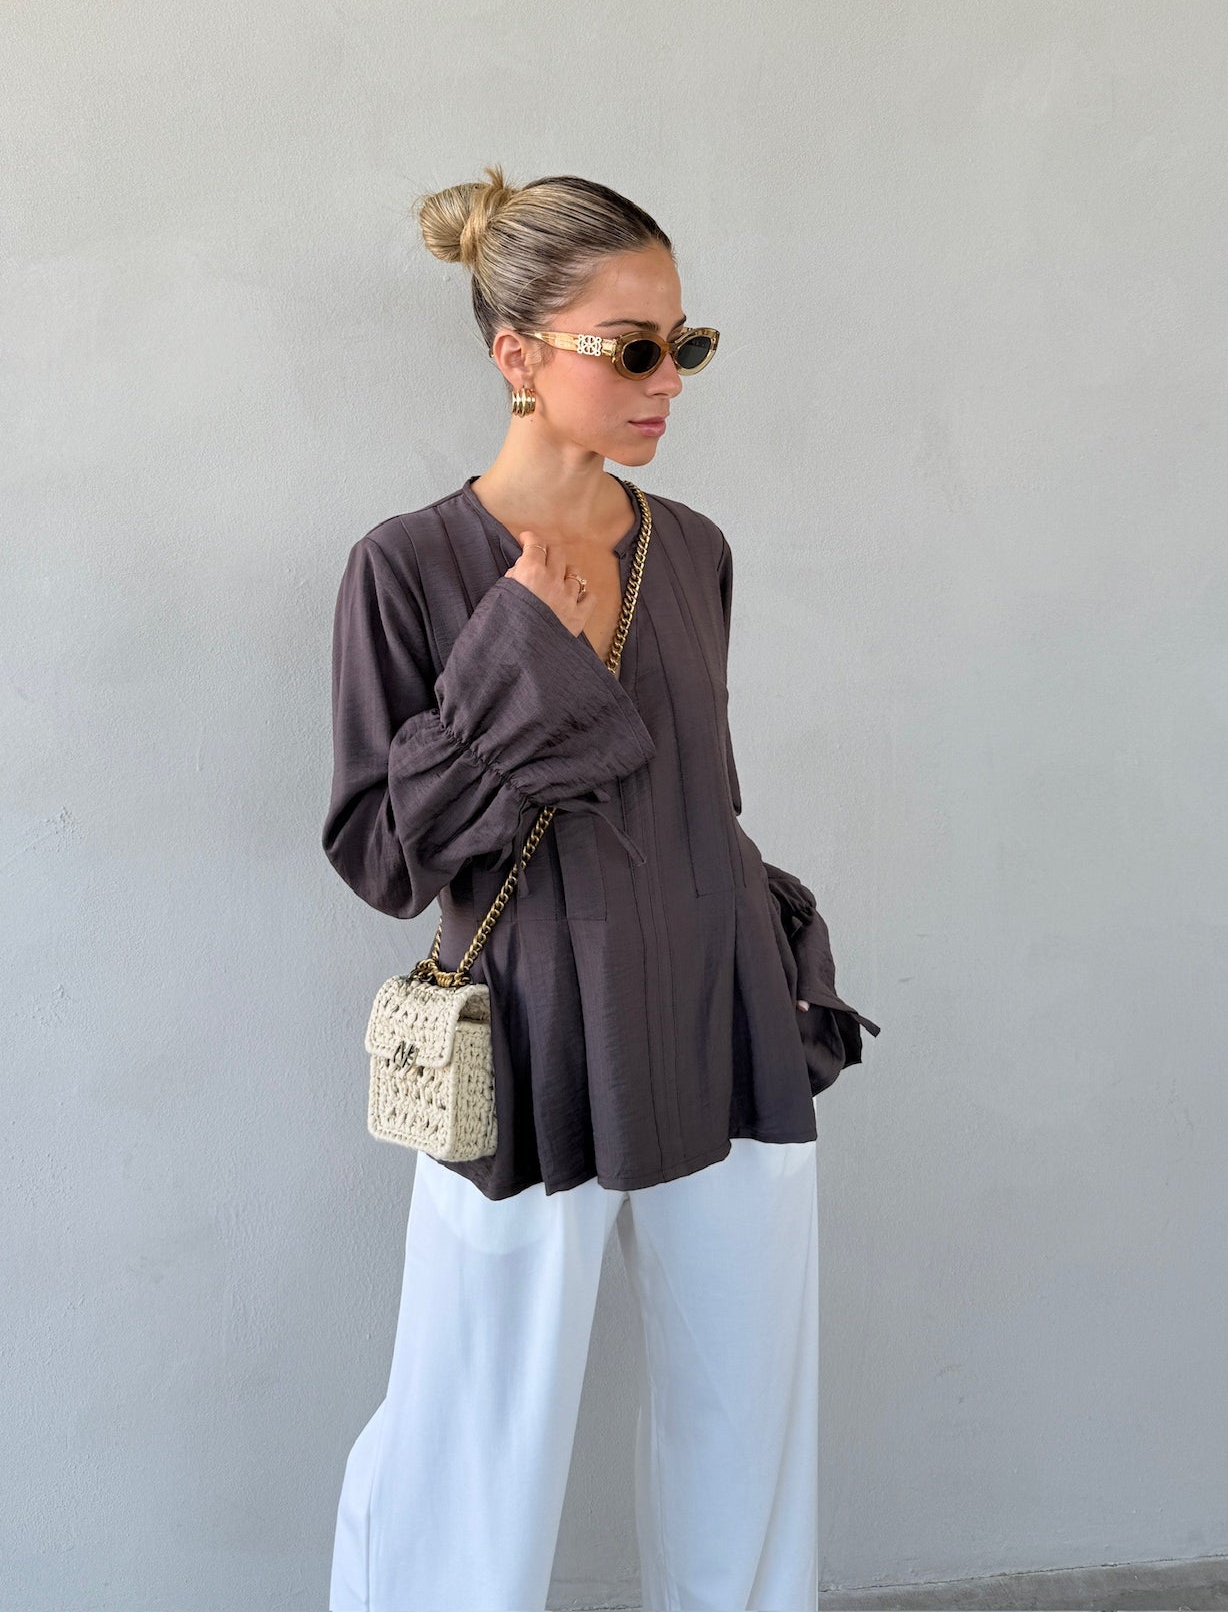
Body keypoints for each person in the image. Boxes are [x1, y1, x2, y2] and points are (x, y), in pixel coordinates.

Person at [321, 166, 881, 1612]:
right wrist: (516, 640)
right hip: (534, 1037)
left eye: (683, 345)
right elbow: (383, 852)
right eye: (631, 348)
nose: (666, 381)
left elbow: (701, 796)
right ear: (517, 354)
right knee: (473, 1439)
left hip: (723, 1013)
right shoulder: (409, 566)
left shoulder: (693, 551)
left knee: (747, 1426)